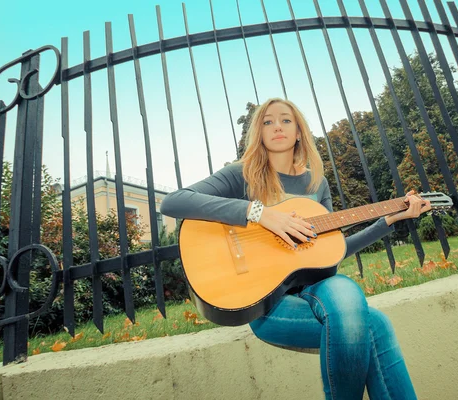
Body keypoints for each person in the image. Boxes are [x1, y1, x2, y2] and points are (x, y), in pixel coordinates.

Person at [160, 98, 430, 400]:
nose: (277, 126)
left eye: (286, 120)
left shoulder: (317, 183)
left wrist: (388, 221)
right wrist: (260, 213)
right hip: (268, 302)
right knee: (374, 325)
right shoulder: (241, 174)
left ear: (299, 132)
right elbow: (173, 202)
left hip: (317, 290)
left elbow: (332, 251)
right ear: (259, 133)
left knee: (346, 290)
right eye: (268, 121)